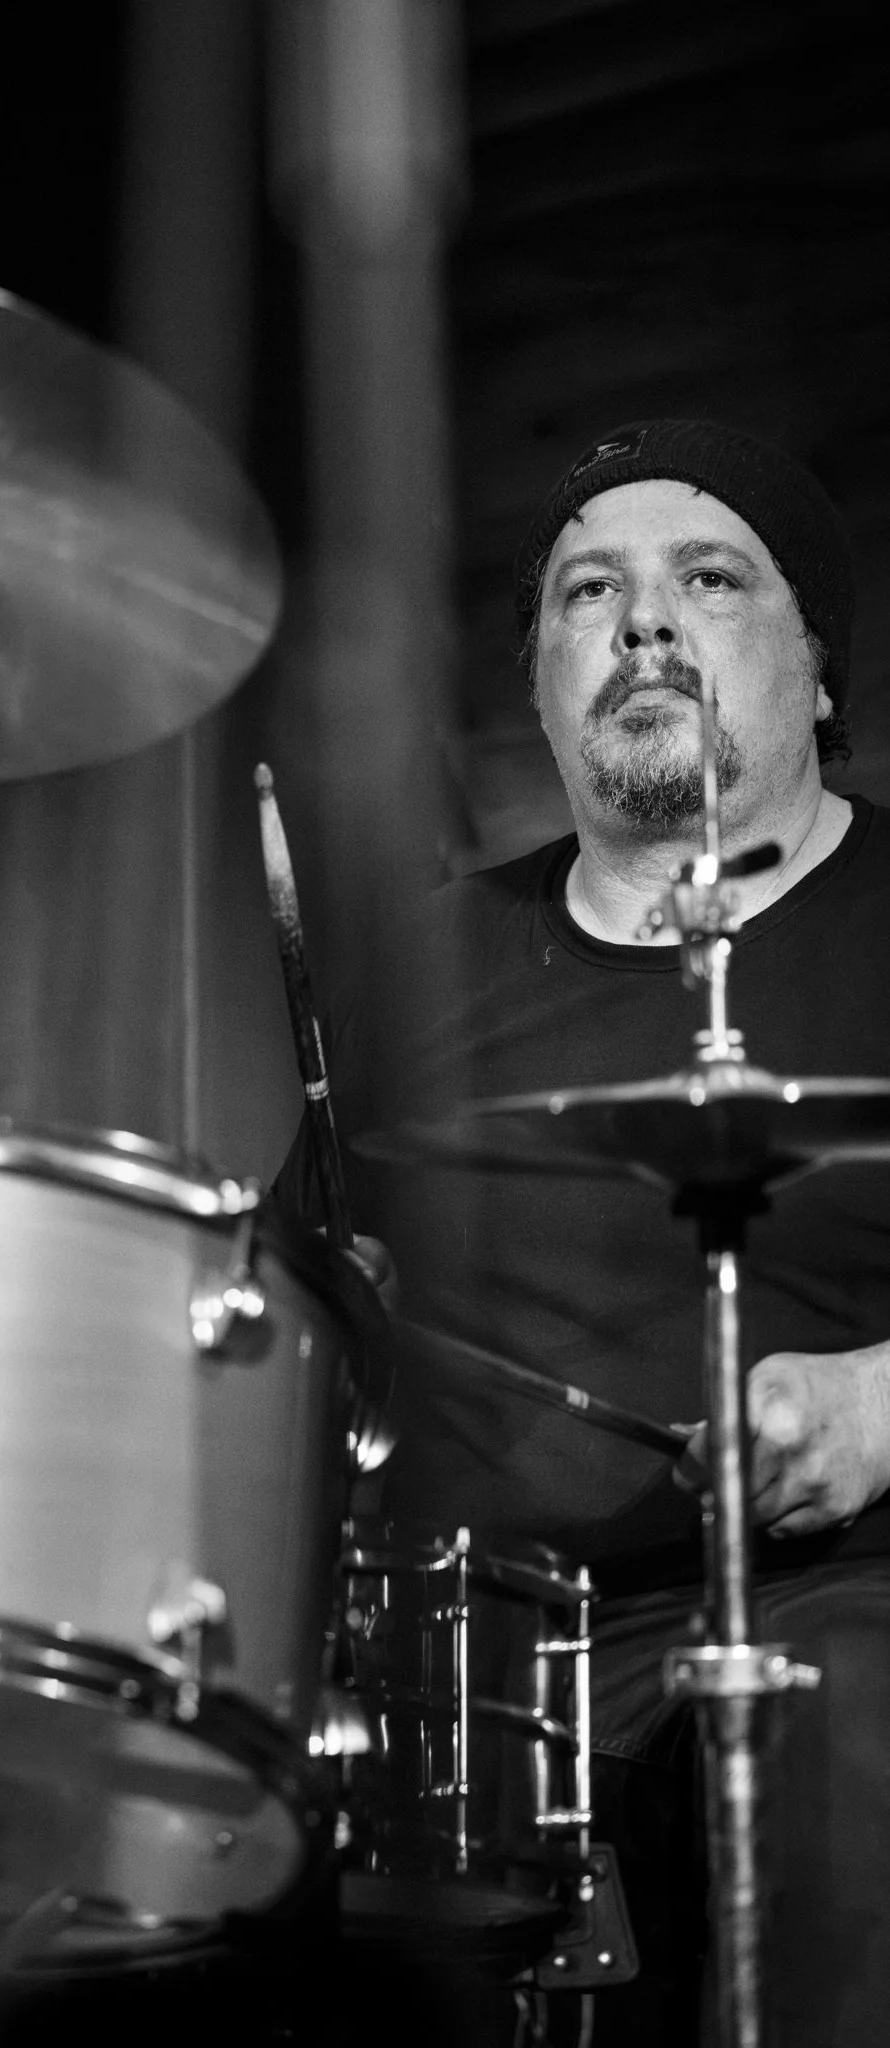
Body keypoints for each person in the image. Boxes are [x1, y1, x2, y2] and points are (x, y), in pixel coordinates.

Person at [273, 420, 890, 2047]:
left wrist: (882, 1405)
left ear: (818, 674)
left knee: (829, 1737)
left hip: (842, 1609)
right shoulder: (412, 977)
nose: (641, 621)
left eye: (709, 578)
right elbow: (280, 1332)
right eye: (586, 593)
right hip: (471, 1659)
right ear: (547, 688)